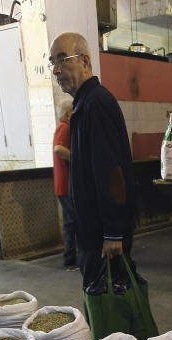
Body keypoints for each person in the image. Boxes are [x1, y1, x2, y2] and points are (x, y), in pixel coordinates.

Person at [49, 32, 137, 290]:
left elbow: (111, 171)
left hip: (103, 237)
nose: (56, 69)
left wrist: (112, 233)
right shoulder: (85, 103)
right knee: (103, 306)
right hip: (94, 231)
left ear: (85, 62)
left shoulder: (95, 103)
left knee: (109, 308)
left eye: (63, 59)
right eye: (52, 61)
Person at [52, 98, 78, 270]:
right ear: (69, 113)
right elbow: (59, 149)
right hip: (66, 185)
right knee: (74, 222)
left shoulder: (63, 127)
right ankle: (71, 259)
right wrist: (78, 159)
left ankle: (70, 259)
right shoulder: (65, 127)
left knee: (70, 222)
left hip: (63, 185)